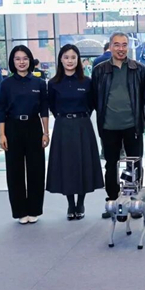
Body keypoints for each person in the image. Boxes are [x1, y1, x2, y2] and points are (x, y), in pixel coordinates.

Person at [92, 32, 145, 219]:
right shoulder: (99, 70)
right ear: (110, 47)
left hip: (132, 125)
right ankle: (113, 202)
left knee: (134, 165)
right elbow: (95, 98)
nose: (121, 49)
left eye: (124, 45)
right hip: (108, 126)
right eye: (117, 45)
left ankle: (133, 202)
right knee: (111, 165)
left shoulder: (139, 69)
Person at [46, 44, 104, 220]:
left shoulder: (87, 82)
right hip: (63, 126)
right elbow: (52, 106)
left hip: (83, 125)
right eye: (66, 57)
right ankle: (70, 204)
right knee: (67, 165)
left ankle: (81, 203)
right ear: (60, 60)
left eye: (73, 57)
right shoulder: (53, 83)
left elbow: (92, 104)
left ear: (78, 60)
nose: (70, 61)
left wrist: (80, 117)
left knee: (83, 163)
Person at [0, 46, 50, 224]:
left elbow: (44, 109)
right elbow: (1, 110)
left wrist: (46, 132)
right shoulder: (6, 84)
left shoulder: (39, 83)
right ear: (12, 62)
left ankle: (34, 209)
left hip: (34, 126)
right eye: (17, 59)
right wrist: (2, 135)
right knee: (14, 171)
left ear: (30, 60)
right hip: (12, 127)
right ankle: (20, 211)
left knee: (36, 169)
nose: (21, 62)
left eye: (25, 58)